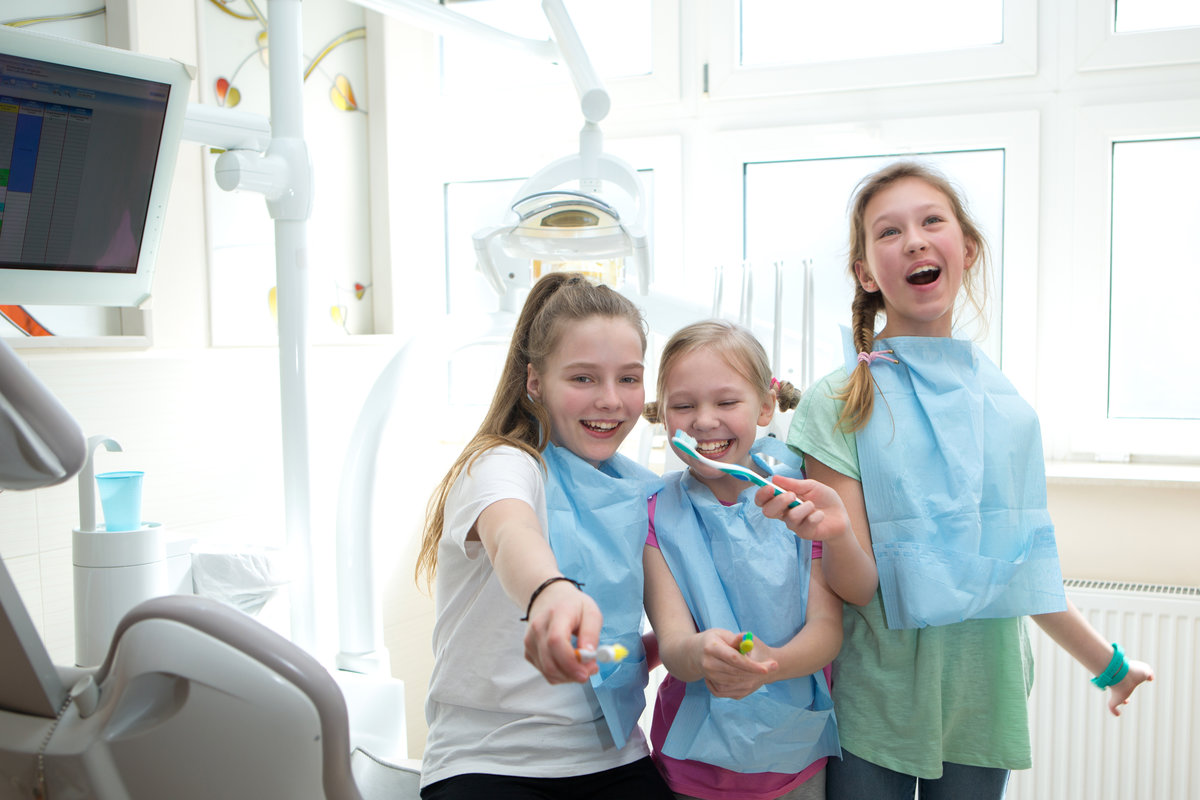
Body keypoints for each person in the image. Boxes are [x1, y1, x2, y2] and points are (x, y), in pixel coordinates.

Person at [783, 160, 1154, 799]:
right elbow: (857, 582)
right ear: (866, 272)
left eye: (933, 222)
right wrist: (836, 532)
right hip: (881, 701)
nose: (917, 240)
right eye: (889, 232)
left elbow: (1023, 571)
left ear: (967, 249)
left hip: (987, 696)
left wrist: (1110, 667)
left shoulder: (1007, 410)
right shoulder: (839, 402)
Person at [416, 272, 674, 800]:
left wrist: (658, 647)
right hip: (488, 759)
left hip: (614, 754)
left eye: (628, 378)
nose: (610, 400)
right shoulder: (503, 464)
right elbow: (514, 534)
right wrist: (550, 592)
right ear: (534, 381)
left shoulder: (645, 492)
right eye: (583, 379)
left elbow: (631, 642)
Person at [641, 319, 848, 800]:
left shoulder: (805, 501)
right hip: (691, 767)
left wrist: (770, 662)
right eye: (684, 405)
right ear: (664, 415)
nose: (704, 420)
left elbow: (828, 629)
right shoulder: (656, 513)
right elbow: (673, 645)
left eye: (727, 401)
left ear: (766, 406)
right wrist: (701, 655)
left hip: (795, 757)